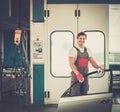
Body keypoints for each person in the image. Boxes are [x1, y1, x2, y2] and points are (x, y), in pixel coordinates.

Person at [68, 32, 104, 96]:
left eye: (83, 38)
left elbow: (92, 61)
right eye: (80, 38)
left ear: (85, 39)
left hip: (85, 75)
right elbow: (71, 63)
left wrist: (99, 67)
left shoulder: (88, 50)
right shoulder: (73, 50)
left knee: (84, 93)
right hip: (76, 76)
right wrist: (77, 73)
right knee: (75, 93)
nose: (82, 40)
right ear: (77, 39)